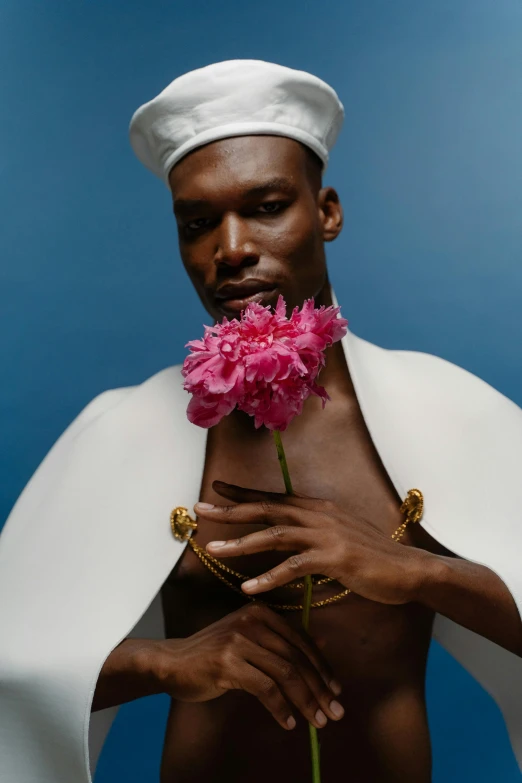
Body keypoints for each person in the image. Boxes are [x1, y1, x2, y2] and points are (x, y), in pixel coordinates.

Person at [1, 59, 522, 783]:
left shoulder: (445, 406)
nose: (232, 248)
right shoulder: (122, 429)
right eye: (198, 223)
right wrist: (164, 659)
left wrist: (419, 573)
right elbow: (8, 658)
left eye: (268, 205)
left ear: (327, 212)